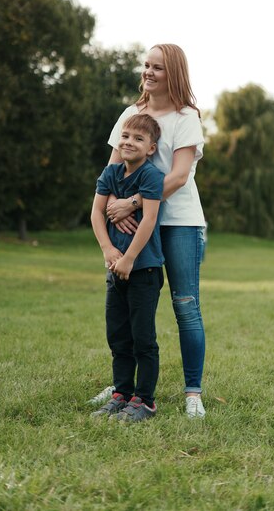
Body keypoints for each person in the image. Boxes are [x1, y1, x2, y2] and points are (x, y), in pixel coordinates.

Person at [105, 43, 206, 418]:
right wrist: (115, 210)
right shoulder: (131, 114)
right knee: (127, 306)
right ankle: (124, 387)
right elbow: (113, 169)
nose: (148, 72)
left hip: (178, 221)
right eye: (146, 65)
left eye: (157, 67)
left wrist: (132, 202)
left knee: (185, 307)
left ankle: (192, 393)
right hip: (131, 223)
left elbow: (178, 176)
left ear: (173, 74)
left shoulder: (186, 118)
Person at [90, 113, 164, 423]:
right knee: (118, 335)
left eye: (138, 138)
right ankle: (121, 394)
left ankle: (144, 401)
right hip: (114, 269)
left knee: (142, 337)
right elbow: (96, 213)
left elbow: (147, 219)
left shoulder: (151, 176)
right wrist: (108, 249)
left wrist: (130, 258)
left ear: (151, 148)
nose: (128, 142)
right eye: (125, 136)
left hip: (143, 269)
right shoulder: (110, 173)